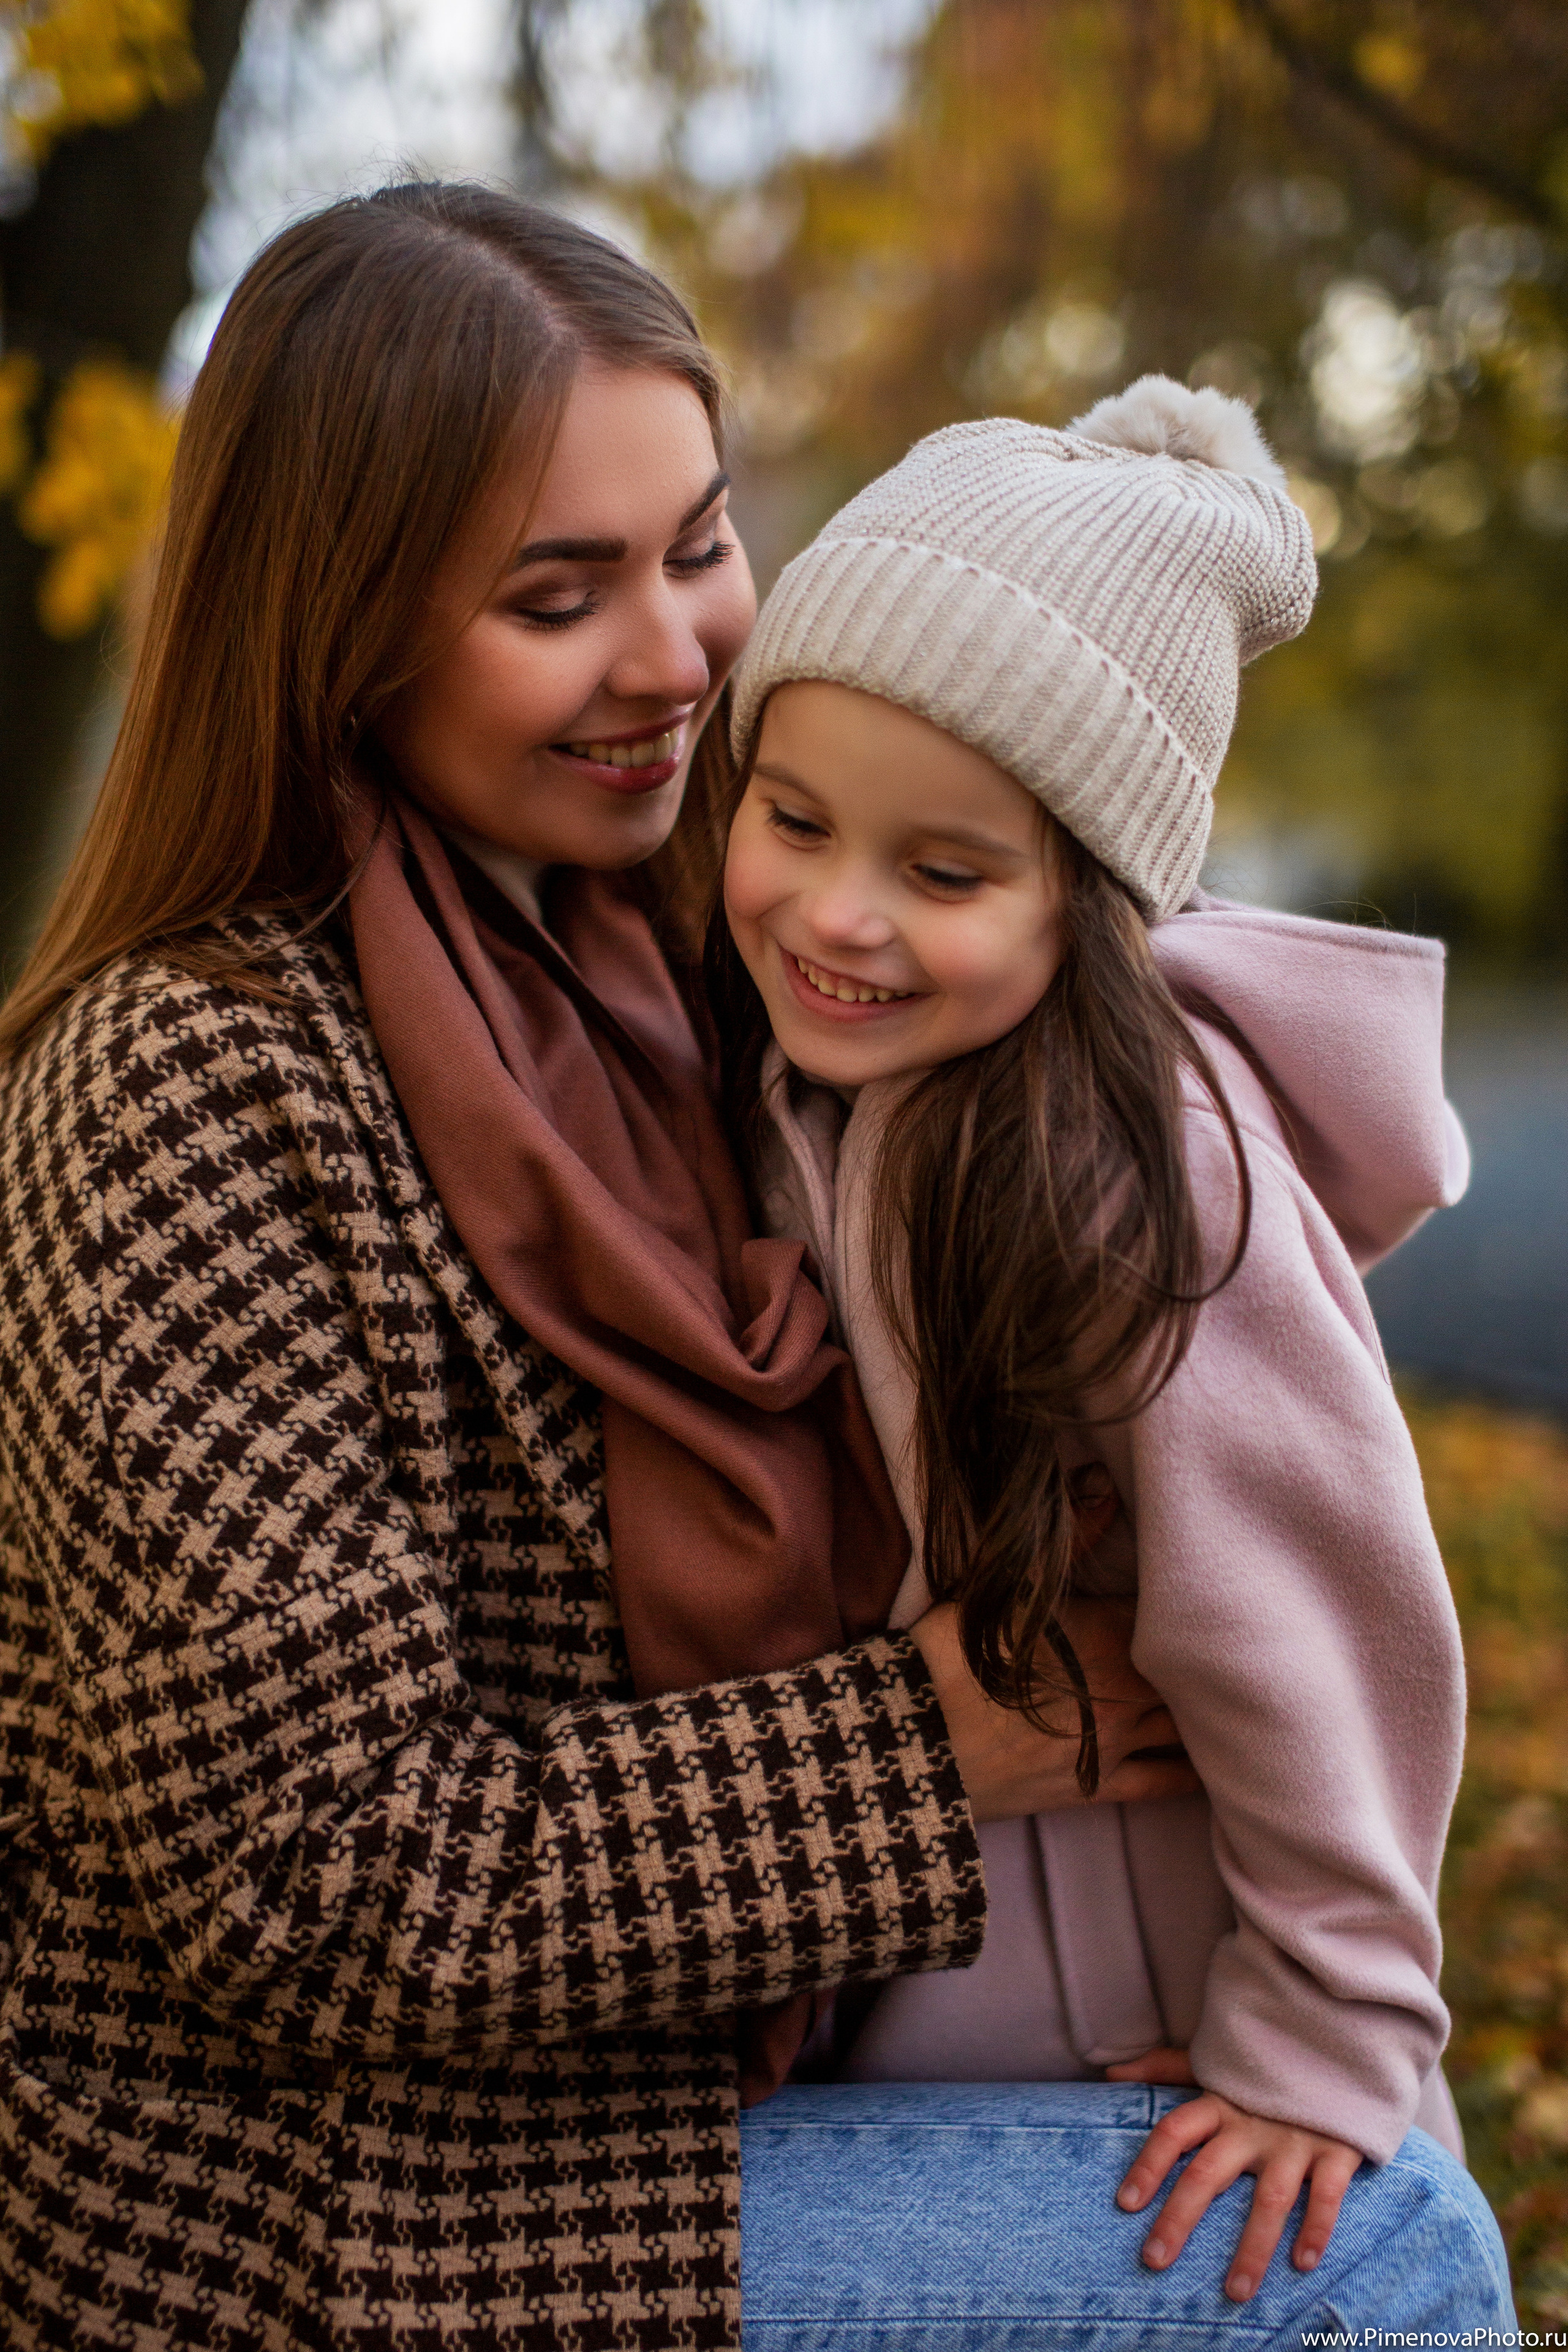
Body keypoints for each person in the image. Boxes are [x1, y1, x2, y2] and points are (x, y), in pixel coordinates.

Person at [0, 178, 1508, 2351]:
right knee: (1388, 2263)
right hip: (298, 2199)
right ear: (342, 624)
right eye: (557, 593)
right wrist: (943, 1741)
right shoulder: (178, 1092)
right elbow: (308, 1882)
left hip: (662, 2077)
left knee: (1335, 2182)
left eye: (703, 547)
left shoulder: (717, 958)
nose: (680, 653)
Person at [714, 383, 1519, 2336]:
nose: (838, 912)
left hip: (1148, 2000)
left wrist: (1320, 2031)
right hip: (951, 1936)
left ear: (1083, 895)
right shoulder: (845, 1076)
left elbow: (1321, 1606)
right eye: (794, 817)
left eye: (946, 872)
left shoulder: (1127, 1173)